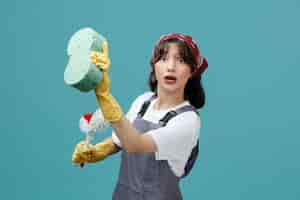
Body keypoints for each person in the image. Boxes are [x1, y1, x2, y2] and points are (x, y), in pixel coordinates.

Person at [72, 33, 208, 200]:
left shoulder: (188, 120)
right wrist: (96, 151)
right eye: (163, 58)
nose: (171, 67)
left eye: (181, 60)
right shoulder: (143, 102)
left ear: (192, 71)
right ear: (154, 65)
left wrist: (103, 94)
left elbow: (134, 144)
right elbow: (119, 141)